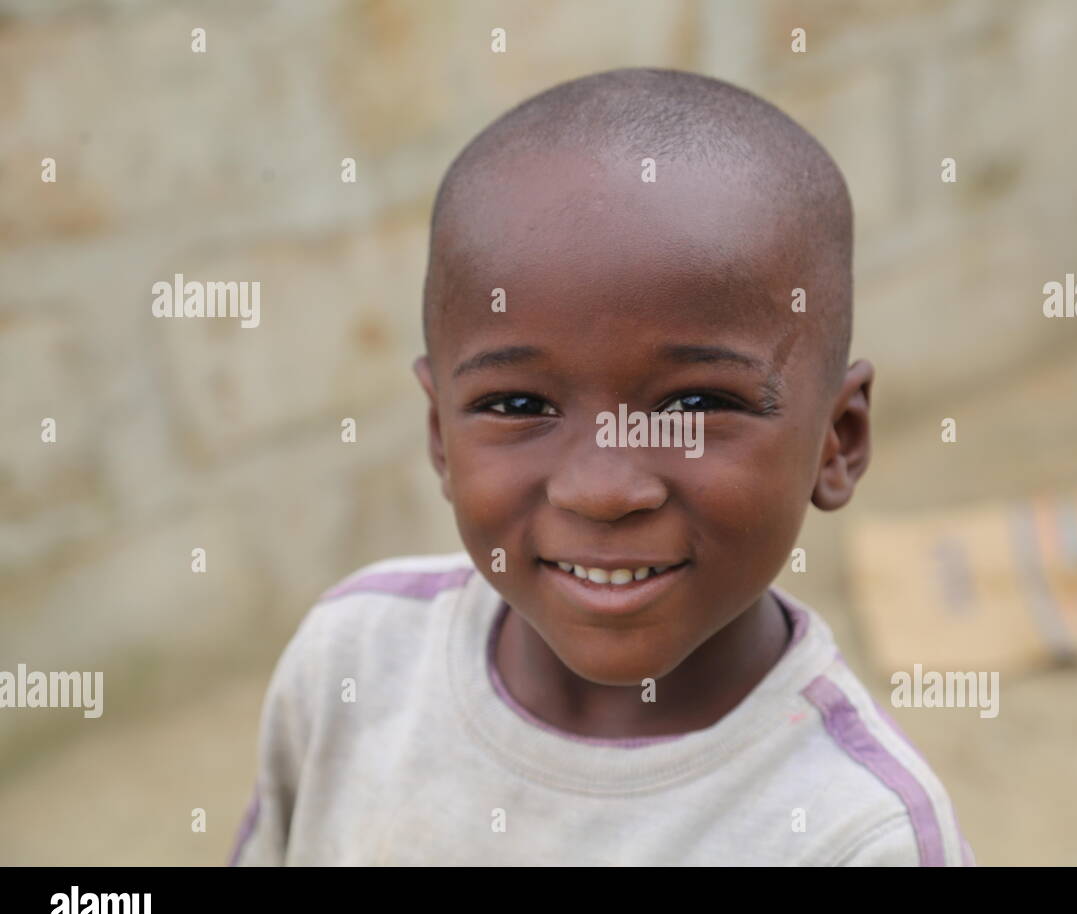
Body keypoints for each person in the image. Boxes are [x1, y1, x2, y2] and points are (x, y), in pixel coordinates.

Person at [230, 67, 973, 866]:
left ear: (839, 440)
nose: (603, 490)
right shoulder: (353, 664)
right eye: (519, 407)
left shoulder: (856, 836)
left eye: (693, 408)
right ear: (439, 435)